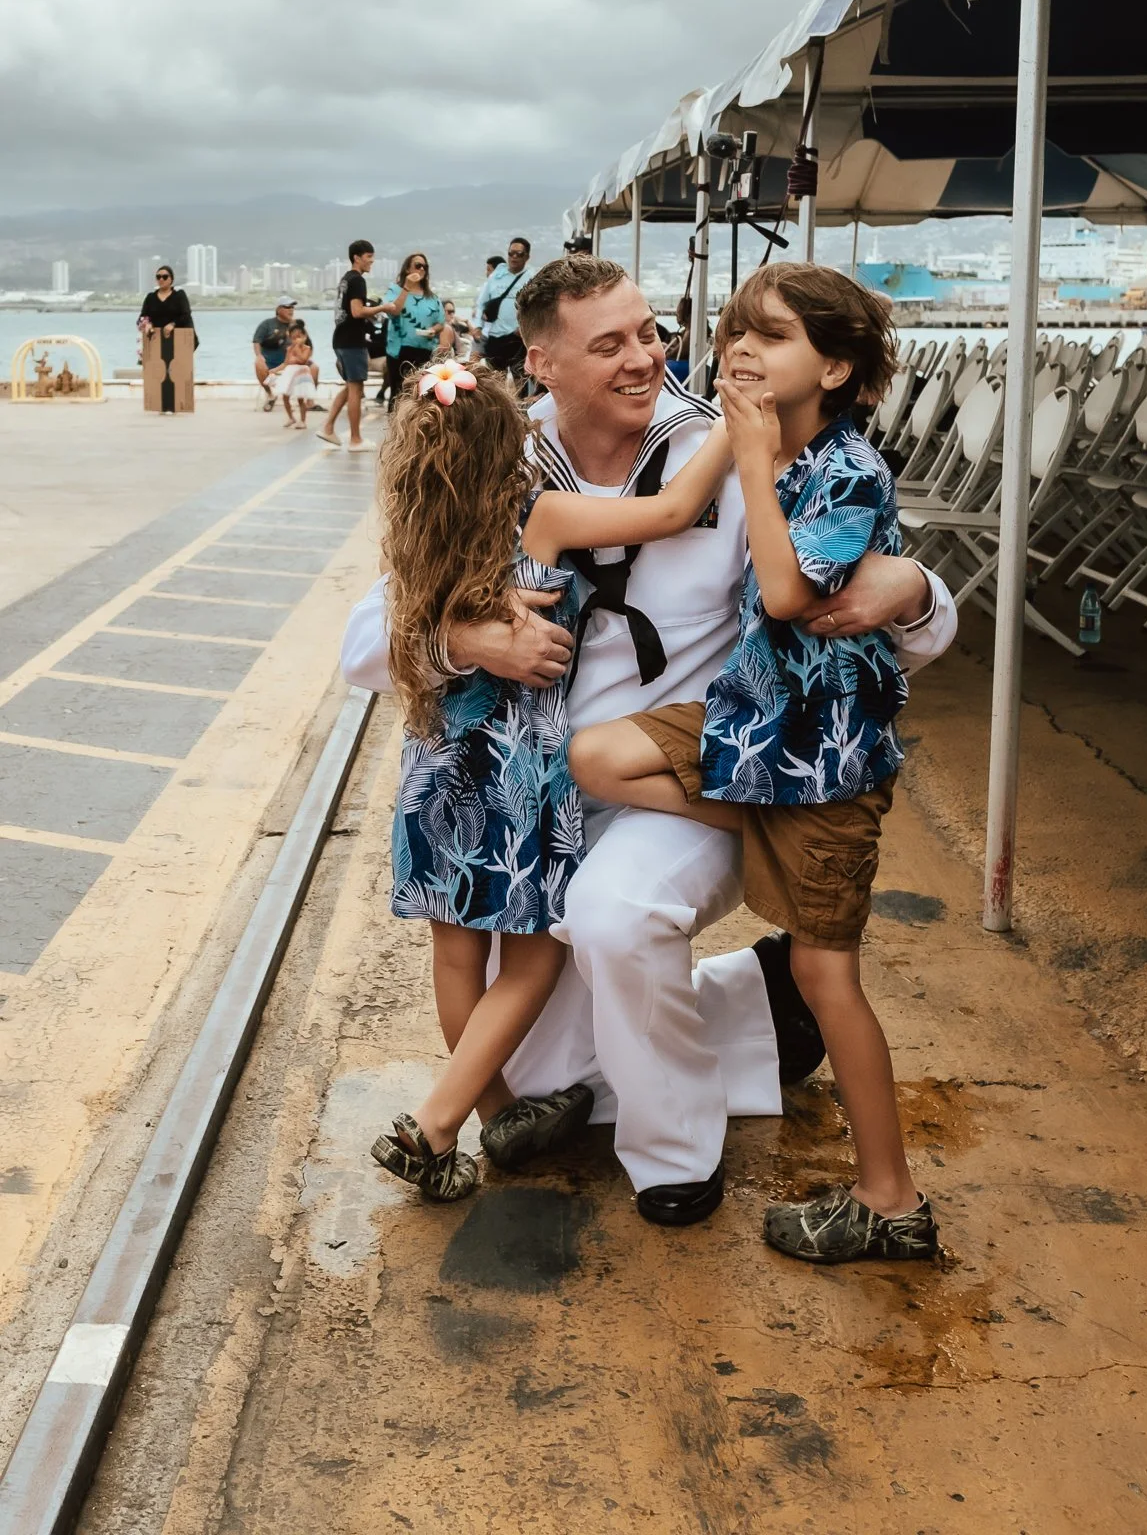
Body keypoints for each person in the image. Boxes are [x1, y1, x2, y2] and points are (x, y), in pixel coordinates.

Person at [342, 254, 956, 1225]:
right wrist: (471, 636)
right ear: (541, 361)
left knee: (613, 916)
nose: (646, 357)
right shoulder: (494, 456)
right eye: (611, 343)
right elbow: (362, 642)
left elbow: (884, 624)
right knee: (546, 1069)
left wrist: (917, 587)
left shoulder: (738, 447)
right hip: (541, 800)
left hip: (678, 784)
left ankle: (673, 1155)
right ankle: (758, 1001)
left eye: (651, 332)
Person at [571, 265, 935, 1264]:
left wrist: (755, 458)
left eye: (770, 336)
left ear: (837, 364)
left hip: (818, 750)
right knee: (596, 753)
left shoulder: (841, 467)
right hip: (750, 731)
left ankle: (889, 1195)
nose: (739, 347)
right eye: (734, 329)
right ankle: (779, 838)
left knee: (828, 979)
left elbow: (780, 589)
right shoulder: (747, 445)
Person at [369, 355, 734, 1203]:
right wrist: (733, 431)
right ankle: (433, 1126)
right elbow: (675, 509)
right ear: (515, 448)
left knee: (457, 957)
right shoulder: (543, 520)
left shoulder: (419, 546)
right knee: (531, 964)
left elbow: (392, 645)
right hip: (518, 771)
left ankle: (496, 1114)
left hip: (435, 767)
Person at [319, 239, 381, 451]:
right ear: (357, 257)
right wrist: (382, 308)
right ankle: (355, 439)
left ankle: (327, 427)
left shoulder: (346, 279)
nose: (371, 261)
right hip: (352, 341)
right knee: (356, 389)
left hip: (341, 339)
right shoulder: (357, 280)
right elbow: (357, 311)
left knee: (350, 387)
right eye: (368, 257)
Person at [382, 253, 449, 409]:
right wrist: (406, 287)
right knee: (398, 393)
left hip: (425, 350)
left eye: (424, 266)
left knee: (421, 395)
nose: (421, 269)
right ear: (407, 268)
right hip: (400, 350)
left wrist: (433, 329)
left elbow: (441, 323)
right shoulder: (395, 290)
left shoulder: (432, 297)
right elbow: (394, 311)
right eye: (418, 265)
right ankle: (395, 430)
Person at [137, 264, 196, 415]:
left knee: (176, 371)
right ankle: (160, 404)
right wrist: (147, 324)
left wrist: (173, 324)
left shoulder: (179, 295)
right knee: (159, 371)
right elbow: (142, 317)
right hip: (157, 342)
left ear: (171, 279)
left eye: (164, 277)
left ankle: (177, 403)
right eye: (158, 277)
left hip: (176, 340)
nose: (161, 279)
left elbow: (185, 315)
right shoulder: (150, 298)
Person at [478, 237, 535, 374]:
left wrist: (525, 328)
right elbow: (481, 302)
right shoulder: (496, 276)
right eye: (511, 253)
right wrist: (477, 327)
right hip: (495, 335)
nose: (514, 257)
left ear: (527, 256)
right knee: (494, 378)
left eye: (519, 254)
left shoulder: (532, 278)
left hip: (517, 337)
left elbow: (536, 309)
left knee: (519, 377)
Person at [252, 296, 298, 410]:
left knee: (314, 368)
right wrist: (259, 356)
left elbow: (305, 344)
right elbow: (256, 341)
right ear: (278, 309)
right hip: (270, 362)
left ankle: (309, 402)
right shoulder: (267, 324)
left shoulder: (296, 326)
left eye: (292, 307)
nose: (291, 310)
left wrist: (294, 330)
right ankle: (270, 395)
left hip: (290, 362)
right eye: (287, 307)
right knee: (258, 363)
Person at [271, 327, 318, 429]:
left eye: (299, 337)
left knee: (300, 398)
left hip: (301, 374)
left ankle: (303, 420)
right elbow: (285, 363)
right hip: (290, 373)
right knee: (285, 397)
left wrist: (297, 347)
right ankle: (291, 417)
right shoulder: (289, 349)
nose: (296, 340)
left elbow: (303, 360)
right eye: (293, 338)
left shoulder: (307, 348)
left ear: (304, 337)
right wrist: (275, 370)